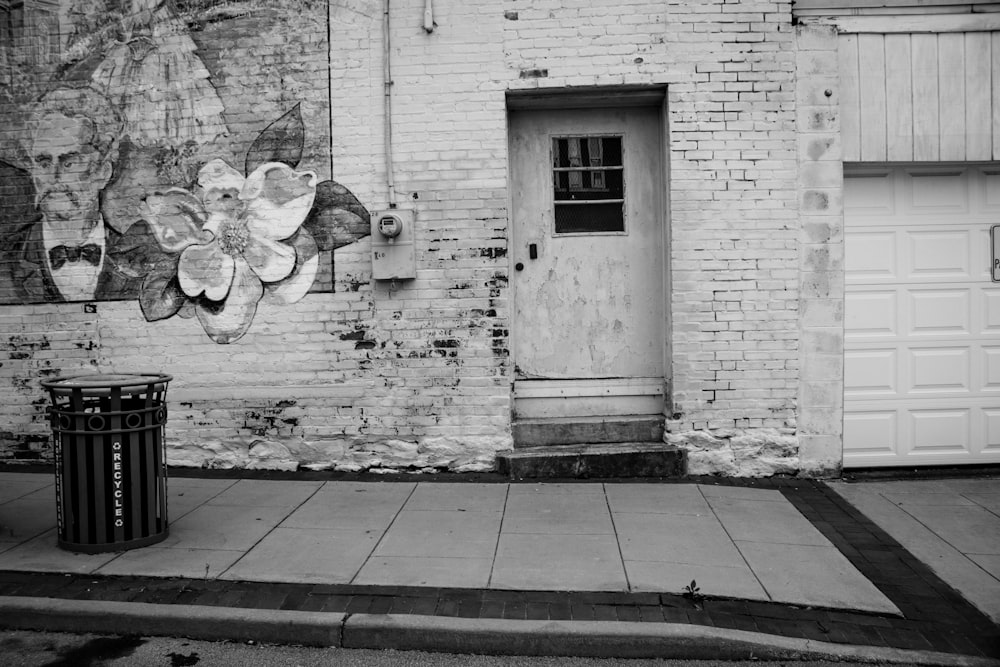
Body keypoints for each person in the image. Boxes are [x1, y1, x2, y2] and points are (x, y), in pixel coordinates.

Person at [0, 85, 125, 303]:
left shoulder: (136, 254)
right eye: (44, 162)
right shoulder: (6, 260)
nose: (54, 176)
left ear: (103, 173)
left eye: (69, 163)